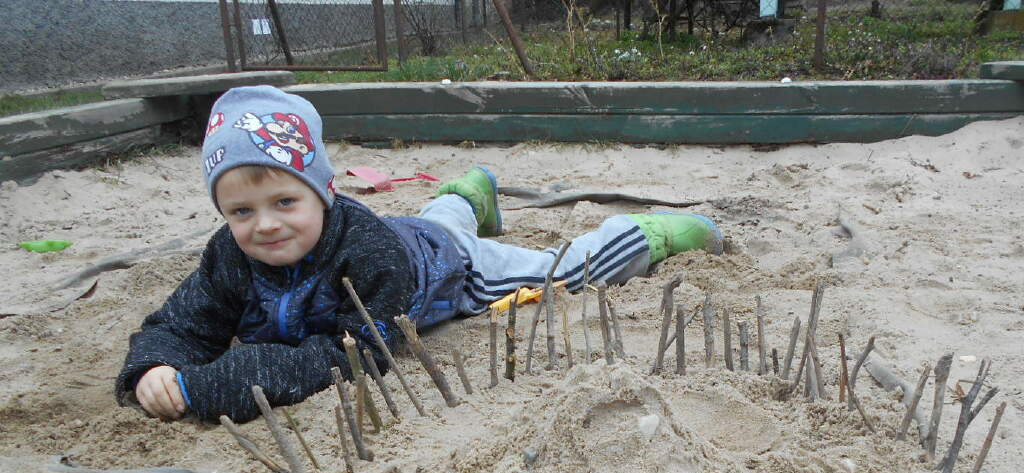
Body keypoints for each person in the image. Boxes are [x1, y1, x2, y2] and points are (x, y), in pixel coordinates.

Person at [116, 86, 723, 424]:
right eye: (242, 212)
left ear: (324, 191)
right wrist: (154, 368)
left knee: (560, 271)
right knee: (437, 220)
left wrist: (209, 384)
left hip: (448, 274)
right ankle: (468, 194)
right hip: (413, 230)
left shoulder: (368, 253)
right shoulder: (227, 256)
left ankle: (645, 234)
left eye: (284, 201)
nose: (266, 225)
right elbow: (181, 323)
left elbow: (353, 356)